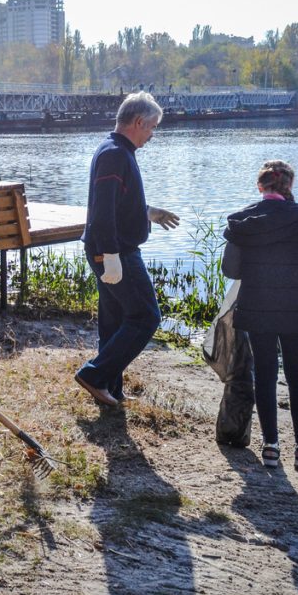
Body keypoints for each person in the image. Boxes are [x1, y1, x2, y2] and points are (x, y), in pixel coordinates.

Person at [221, 160, 298, 470]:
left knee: (266, 375)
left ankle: (270, 447)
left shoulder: (243, 221)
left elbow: (230, 269)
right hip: (297, 311)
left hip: (257, 309)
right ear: (290, 186)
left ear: (261, 187)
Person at [75, 91, 180, 406]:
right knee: (146, 317)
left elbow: (118, 204)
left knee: (115, 322)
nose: (152, 135)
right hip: (115, 251)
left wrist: (149, 212)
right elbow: (103, 211)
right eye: (151, 128)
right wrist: (110, 256)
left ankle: (108, 387)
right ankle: (94, 375)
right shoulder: (115, 154)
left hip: (110, 249)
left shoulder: (115, 151)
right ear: (138, 122)